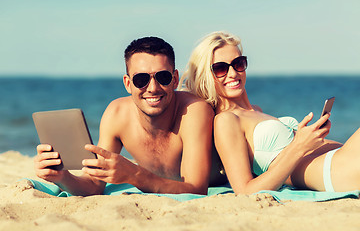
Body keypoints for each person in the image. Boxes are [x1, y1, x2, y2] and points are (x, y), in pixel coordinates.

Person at [181, 31, 360, 195]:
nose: (233, 73)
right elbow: (244, 191)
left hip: (341, 158)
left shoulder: (256, 111)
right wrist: (299, 145)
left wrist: (311, 137)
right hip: (336, 171)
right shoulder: (226, 120)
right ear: (206, 75)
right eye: (221, 68)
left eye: (238, 63)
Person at [34, 36, 216, 196]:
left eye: (162, 77)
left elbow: (197, 189)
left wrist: (134, 175)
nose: (152, 88)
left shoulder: (194, 111)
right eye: (141, 80)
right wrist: (62, 177)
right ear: (128, 84)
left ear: (175, 79)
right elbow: (94, 185)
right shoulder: (117, 114)